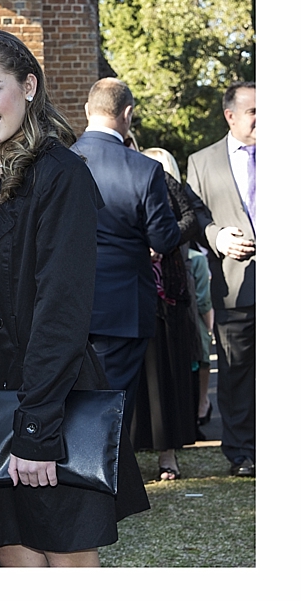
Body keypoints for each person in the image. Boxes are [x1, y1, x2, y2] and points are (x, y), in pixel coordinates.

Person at [0, 29, 151, 565]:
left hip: (45, 399)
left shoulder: (62, 174)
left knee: (65, 564)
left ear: (29, 85)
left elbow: (62, 309)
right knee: (16, 562)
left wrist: (36, 430)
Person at [71, 79, 183, 478]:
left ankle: (76, 474)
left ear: (88, 111)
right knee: (115, 398)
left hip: (65, 300)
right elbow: (164, 237)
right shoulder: (144, 169)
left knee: (70, 392)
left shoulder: (59, 160)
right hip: (123, 305)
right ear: (128, 114)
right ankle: (99, 479)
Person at [185, 80, 256, 476]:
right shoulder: (202, 161)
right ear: (230, 116)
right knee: (235, 372)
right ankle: (242, 453)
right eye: (253, 111)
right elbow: (193, 216)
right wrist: (217, 235)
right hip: (232, 282)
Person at [140, 145, 217, 466]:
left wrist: (163, 243)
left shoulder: (177, 197)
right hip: (136, 293)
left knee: (170, 375)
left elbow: (190, 223)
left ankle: (168, 452)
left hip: (171, 297)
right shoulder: (135, 188)